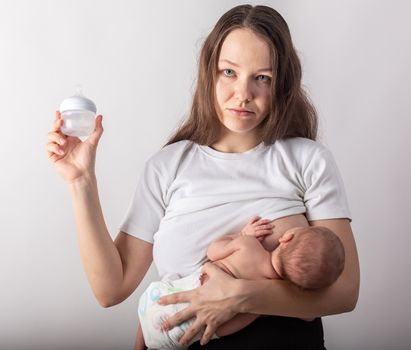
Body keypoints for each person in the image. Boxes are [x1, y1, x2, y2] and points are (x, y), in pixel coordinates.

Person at [46, 4, 359, 350]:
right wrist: (81, 181)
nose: (243, 93)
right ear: (209, 72)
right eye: (229, 72)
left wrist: (242, 296)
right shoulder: (167, 166)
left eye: (262, 78)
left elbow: (344, 292)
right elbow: (110, 289)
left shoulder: (307, 159)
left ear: (281, 84)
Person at [136, 215, 345, 349]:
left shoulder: (249, 246)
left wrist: (242, 234)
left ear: (286, 237)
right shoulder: (260, 305)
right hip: (182, 331)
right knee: (157, 337)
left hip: (166, 296)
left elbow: (213, 250)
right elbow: (224, 329)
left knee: (151, 305)